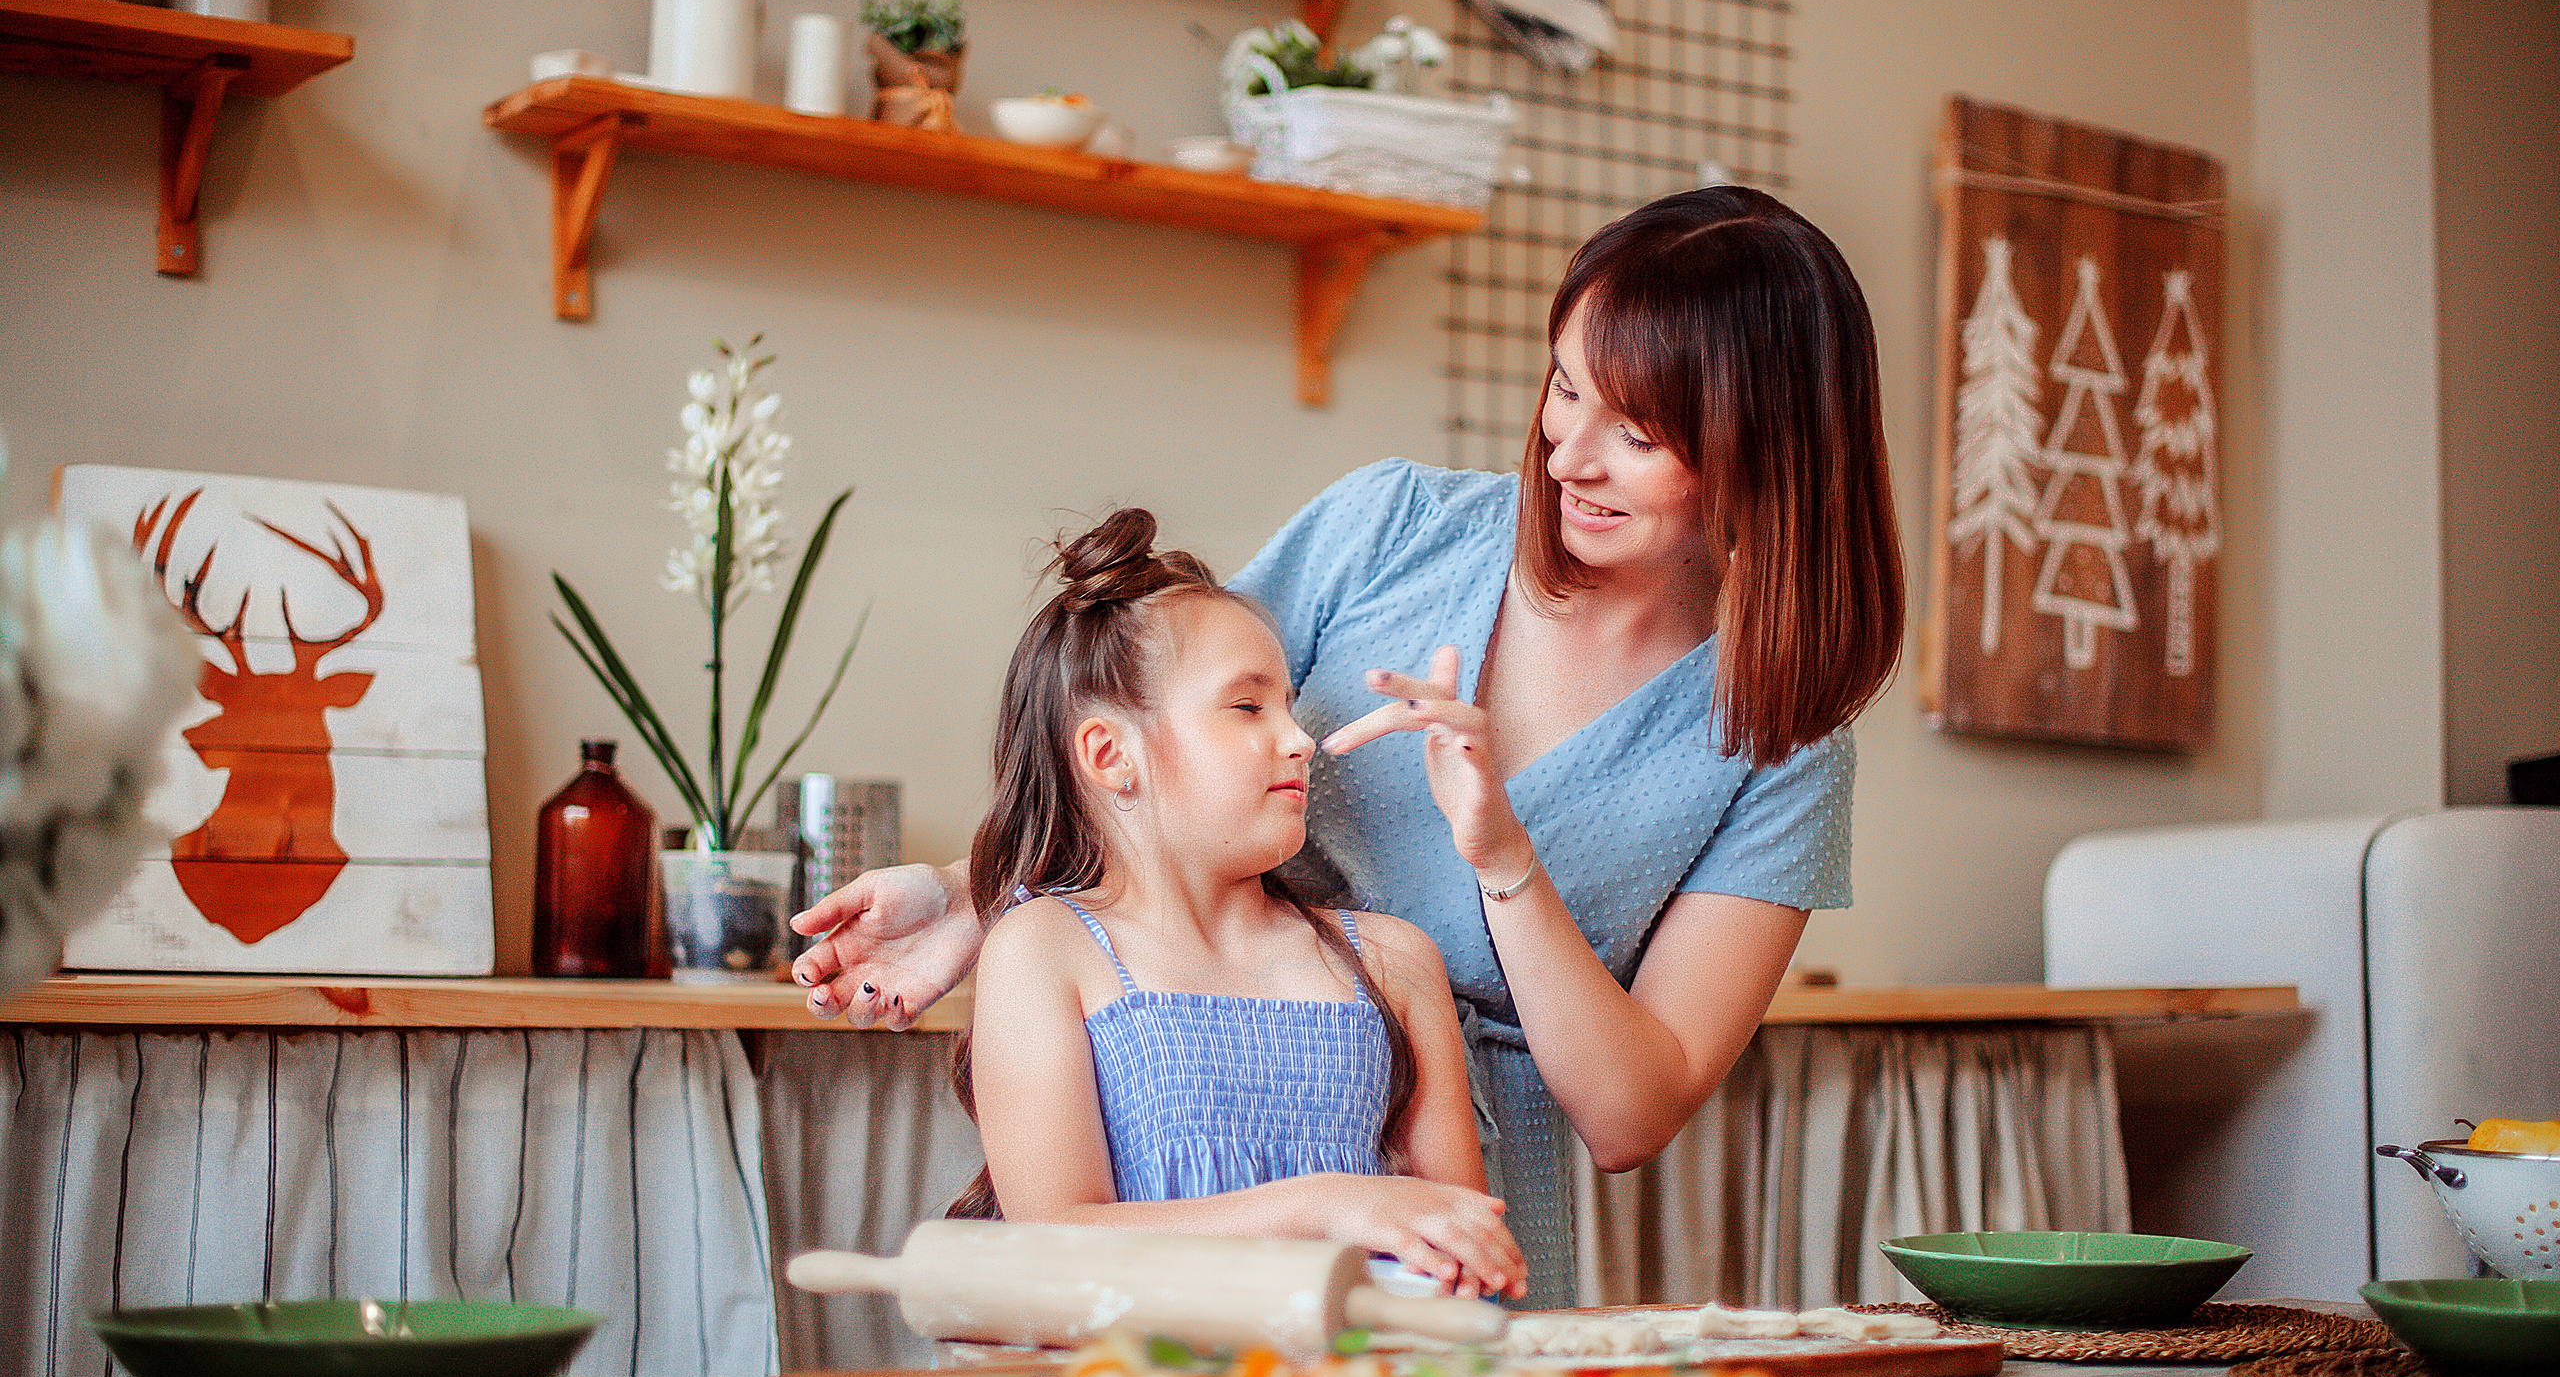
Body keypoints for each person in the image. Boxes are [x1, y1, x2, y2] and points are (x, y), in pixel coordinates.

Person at [793, 186, 1904, 1307]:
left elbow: (1632, 1114)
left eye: (1637, 432)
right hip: (1179, 1184)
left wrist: (1504, 860)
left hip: (1446, 1237)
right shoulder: (1390, 528)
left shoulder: (1785, 742)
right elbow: (1155, 735)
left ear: (1766, 453)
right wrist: (971, 895)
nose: (1568, 456)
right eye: (1565, 387)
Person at [946, 507, 1527, 1299]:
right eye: (1249, 707)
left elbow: (1463, 1250)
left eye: (1289, 704)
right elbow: (1053, 1242)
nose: (1300, 739)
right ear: (1110, 754)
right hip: (1134, 1376)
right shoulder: (1045, 948)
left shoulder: (1393, 962)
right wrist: (1323, 1205)